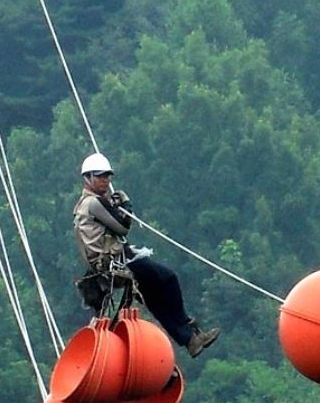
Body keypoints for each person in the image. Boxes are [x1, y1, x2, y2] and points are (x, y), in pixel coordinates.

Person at [72, 152, 220, 358]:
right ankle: (188, 329)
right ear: (88, 178)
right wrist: (125, 206)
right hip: (116, 262)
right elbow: (123, 227)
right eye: (100, 176)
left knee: (153, 297)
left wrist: (116, 207)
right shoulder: (94, 203)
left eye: (107, 176)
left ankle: (189, 339)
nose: (105, 180)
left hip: (110, 263)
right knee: (169, 279)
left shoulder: (84, 205)